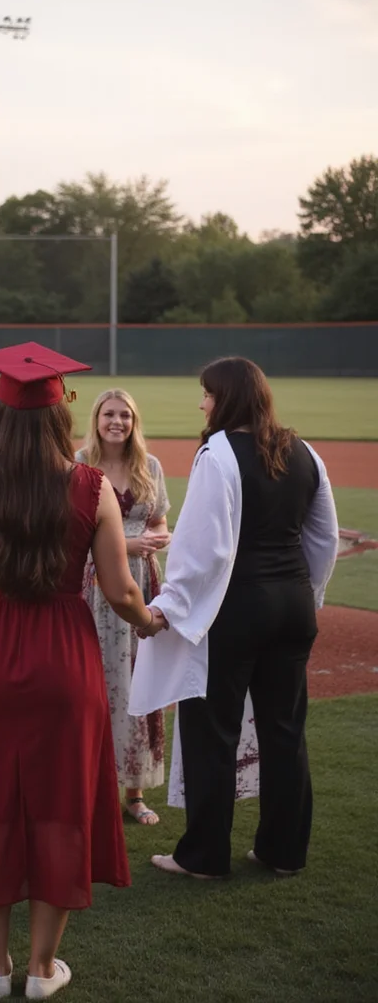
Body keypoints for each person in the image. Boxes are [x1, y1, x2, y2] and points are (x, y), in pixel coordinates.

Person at [0, 342, 155, 1000]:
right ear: (61, 418)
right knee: (61, 807)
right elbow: (118, 590)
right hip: (64, 659)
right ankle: (43, 969)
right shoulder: (91, 486)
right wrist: (149, 622)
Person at [129, 356, 339, 879]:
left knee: (211, 731)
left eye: (206, 393)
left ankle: (202, 857)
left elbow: (204, 549)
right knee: (285, 729)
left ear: (226, 398)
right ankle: (282, 852)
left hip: (236, 610)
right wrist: (307, 592)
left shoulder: (217, 454)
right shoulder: (305, 451)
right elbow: (324, 537)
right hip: (292, 606)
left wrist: (167, 608)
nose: (201, 404)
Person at [76, 389, 171, 825]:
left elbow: (159, 520)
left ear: (134, 421)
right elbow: (70, 535)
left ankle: (134, 793)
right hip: (96, 583)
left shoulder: (149, 467)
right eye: (109, 414)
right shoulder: (79, 464)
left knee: (138, 680)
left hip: (143, 582)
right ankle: (90, 790)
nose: (117, 422)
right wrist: (124, 544)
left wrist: (156, 538)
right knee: (95, 681)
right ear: (96, 419)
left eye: (125, 415)